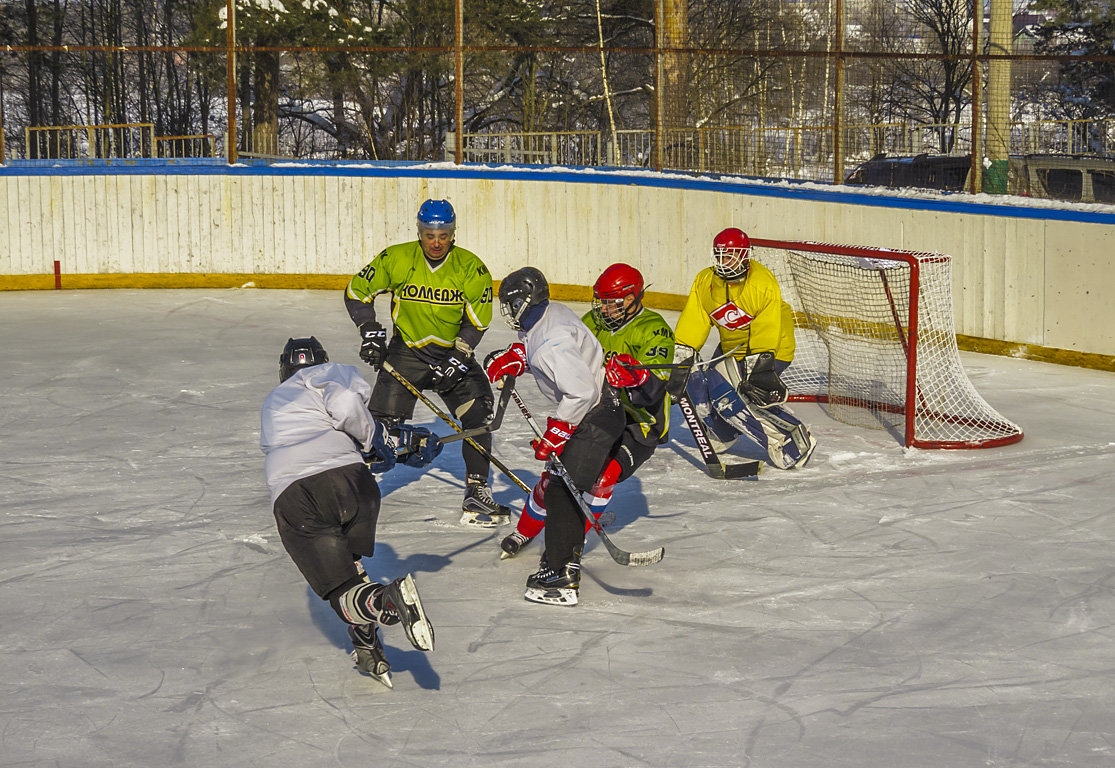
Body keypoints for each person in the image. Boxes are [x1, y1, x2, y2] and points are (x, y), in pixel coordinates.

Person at [260, 337, 438, 687]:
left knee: (342, 594)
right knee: (353, 572)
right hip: (354, 487)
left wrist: (376, 440)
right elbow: (349, 418)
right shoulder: (332, 372)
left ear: (284, 370)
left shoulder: (274, 400)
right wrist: (385, 442)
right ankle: (367, 645)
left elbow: (341, 409)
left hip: (299, 496)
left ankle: (389, 599)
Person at [344, 199, 510, 528]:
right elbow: (357, 291)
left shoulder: (471, 268)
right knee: (378, 428)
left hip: (451, 352)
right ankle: (357, 493)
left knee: (478, 416)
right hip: (407, 352)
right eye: (429, 234)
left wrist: (461, 354)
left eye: (444, 235)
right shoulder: (397, 258)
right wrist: (369, 331)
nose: (436, 242)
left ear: (453, 234)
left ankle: (477, 491)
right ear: (419, 232)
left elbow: (476, 322)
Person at [496, 263, 674, 561]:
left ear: (632, 299)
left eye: (611, 302)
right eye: (600, 301)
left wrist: (638, 377)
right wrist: (524, 357)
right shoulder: (594, 320)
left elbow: (658, 392)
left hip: (639, 423)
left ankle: (572, 542)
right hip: (597, 412)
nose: (602, 309)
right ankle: (525, 530)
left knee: (601, 479)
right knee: (554, 476)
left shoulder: (654, 330)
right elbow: (565, 353)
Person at [485, 266, 628, 607]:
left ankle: (561, 575)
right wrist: (521, 357)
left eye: (512, 302)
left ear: (525, 300)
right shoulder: (551, 315)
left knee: (563, 492)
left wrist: (558, 431)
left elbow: (580, 393)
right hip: (599, 412)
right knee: (558, 485)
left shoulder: (551, 342)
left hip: (594, 416)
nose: (509, 310)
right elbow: (558, 354)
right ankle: (561, 560)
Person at [668, 227, 816, 469]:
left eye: (730, 255)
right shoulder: (706, 281)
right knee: (698, 386)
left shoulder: (761, 282)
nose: (724, 261)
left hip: (771, 348)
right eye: (721, 255)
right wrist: (684, 351)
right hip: (732, 348)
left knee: (733, 397)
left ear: (744, 255)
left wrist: (760, 366)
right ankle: (722, 432)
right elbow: (695, 318)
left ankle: (793, 439)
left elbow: (768, 327)